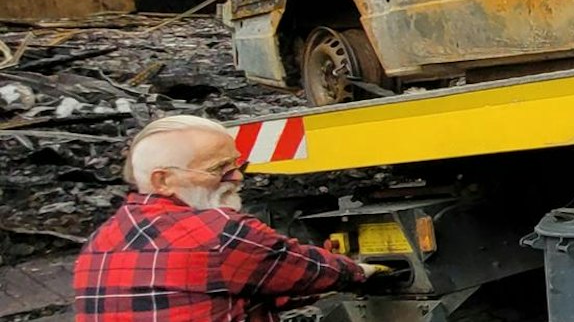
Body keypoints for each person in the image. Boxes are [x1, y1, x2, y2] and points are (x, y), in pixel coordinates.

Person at [73, 114, 386, 321]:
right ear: (162, 181)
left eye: (238, 165)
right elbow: (311, 270)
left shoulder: (99, 242)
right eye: (219, 169)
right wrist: (363, 271)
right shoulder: (219, 233)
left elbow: (224, 292)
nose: (237, 177)